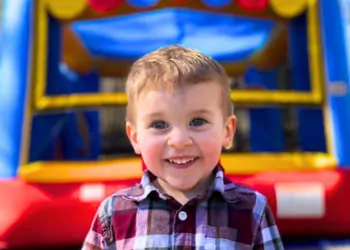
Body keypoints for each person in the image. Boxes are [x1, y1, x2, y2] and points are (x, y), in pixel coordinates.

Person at [82, 45, 284, 249]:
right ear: (135, 138)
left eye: (197, 121)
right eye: (159, 125)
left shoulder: (252, 210)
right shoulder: (113, 213)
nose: (179, 140)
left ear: (227, 131)